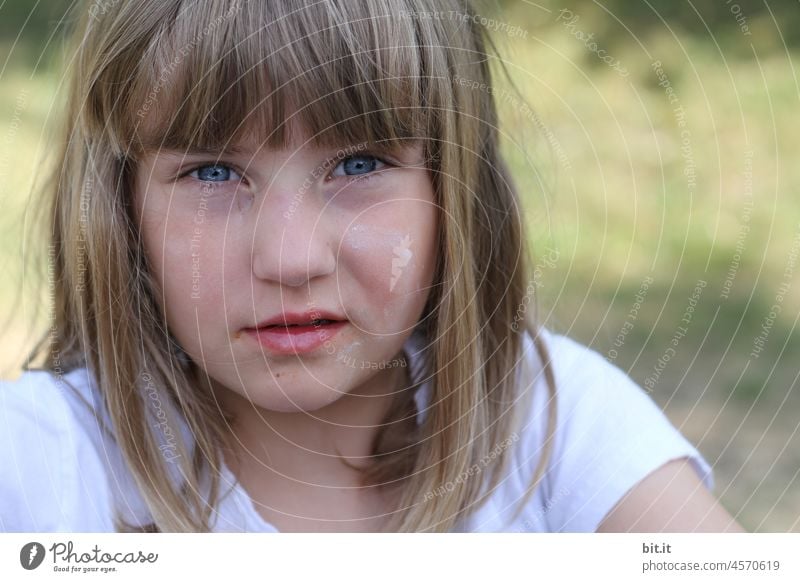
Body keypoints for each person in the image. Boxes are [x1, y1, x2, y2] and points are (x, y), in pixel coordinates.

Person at [0, 0, 743, 533]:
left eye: (358, 163)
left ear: (452, 192)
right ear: (121, 212)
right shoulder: (44, 468)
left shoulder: (547, 422)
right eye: (214, 175)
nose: (290, 259)